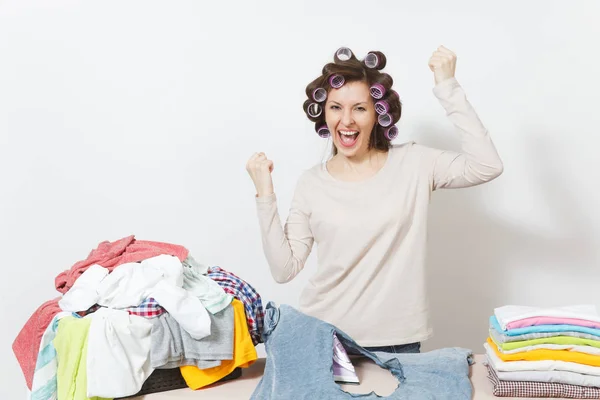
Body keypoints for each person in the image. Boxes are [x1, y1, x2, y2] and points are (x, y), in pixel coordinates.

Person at [246, 46, 503, 354]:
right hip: (323, 338)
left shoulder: (414, 163)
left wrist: (447, 86)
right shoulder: (311, 183)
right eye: (336, 107)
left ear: (378, 114)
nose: (347, 121)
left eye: (359, 108)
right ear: (324, 114)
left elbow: (487, 165)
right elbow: (284, 269)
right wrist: (265, 193)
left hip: (398, 342)